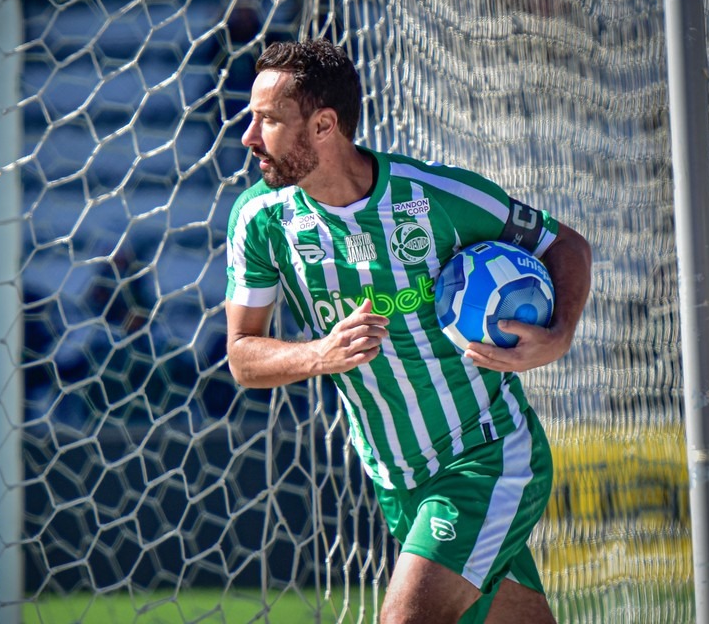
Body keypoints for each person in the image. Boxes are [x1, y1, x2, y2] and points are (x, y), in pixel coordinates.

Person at [224, 39, 592, 624]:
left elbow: (564, 245)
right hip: (397, 480)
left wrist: (561, 332)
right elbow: (242, 357)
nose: (247, 136)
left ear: (324, 125)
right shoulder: (261, 219)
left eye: (267, 120)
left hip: (487, 456)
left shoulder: (438, 197)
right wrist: (320, 353)